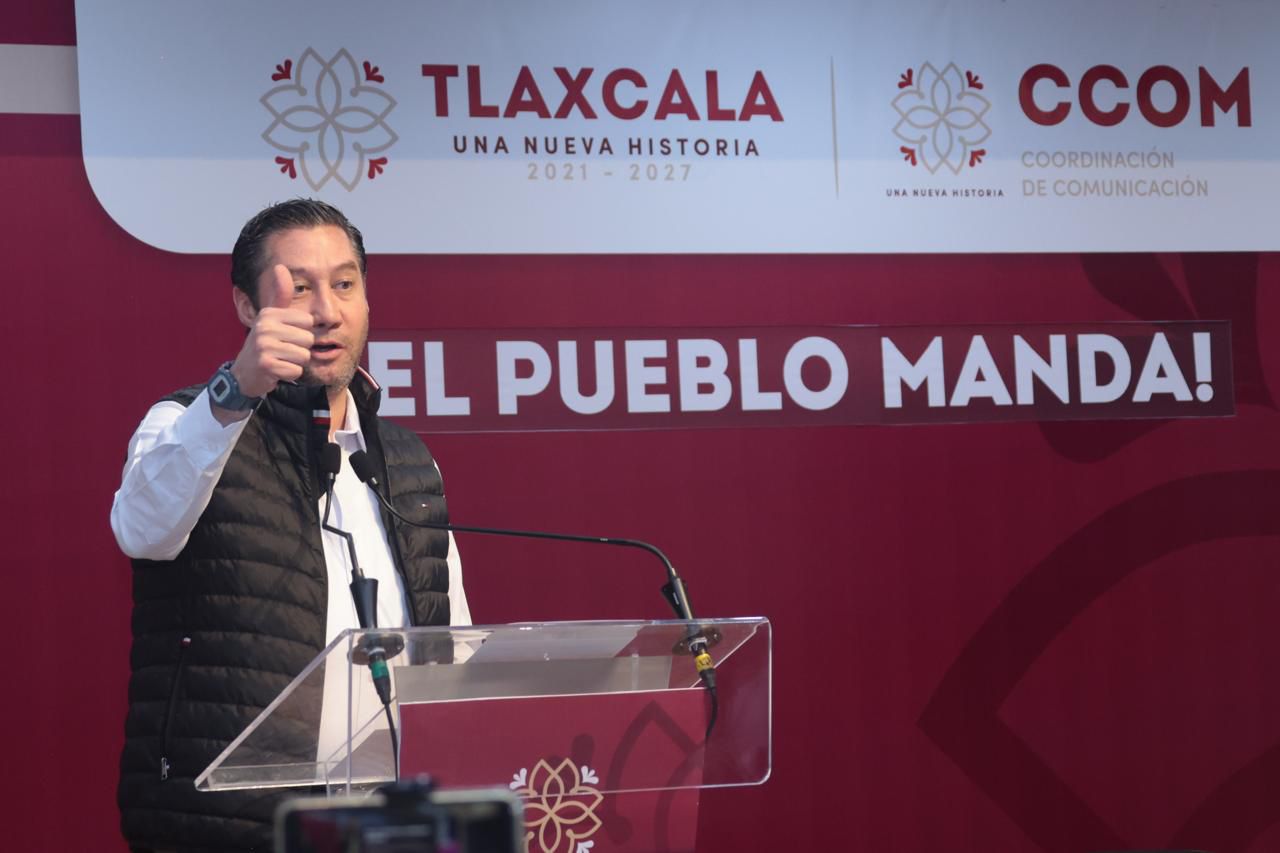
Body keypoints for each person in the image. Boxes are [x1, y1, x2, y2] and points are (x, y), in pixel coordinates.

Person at [110, 199, 470, 852]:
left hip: (389, 820)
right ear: (248, 307)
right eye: (299, 288)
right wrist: (236, 390)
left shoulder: (408, 461)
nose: (327, 312)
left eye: (344, 284)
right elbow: (140, 529)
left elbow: (453, 643)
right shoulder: (190, 424)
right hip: (229, 826)